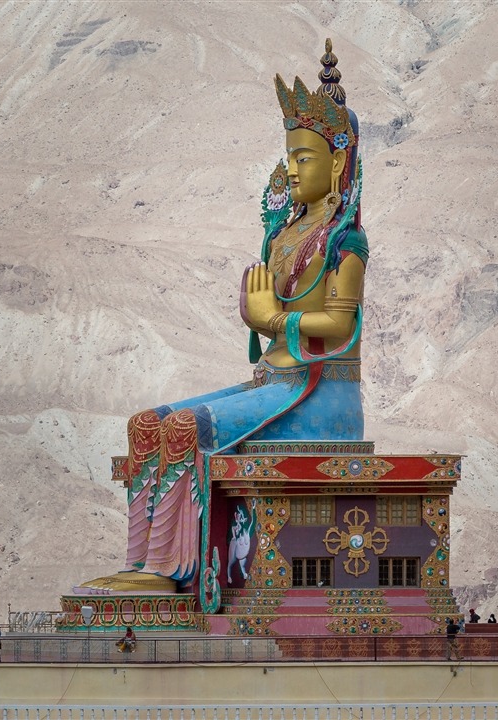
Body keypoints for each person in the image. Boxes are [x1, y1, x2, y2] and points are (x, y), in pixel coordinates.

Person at [82, 39, 368, 610]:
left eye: (304, 157)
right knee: (148, 425)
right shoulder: (286, 235)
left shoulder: (345, 242)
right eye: (289, 156)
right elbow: (270, 318)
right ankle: (143, 560)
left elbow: (339, 328)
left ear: (337, 162)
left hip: (318, 395)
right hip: (272, 384)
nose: (291, 167)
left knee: (188, 429)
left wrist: (274, 320)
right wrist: (256, 321)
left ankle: (171, 569)